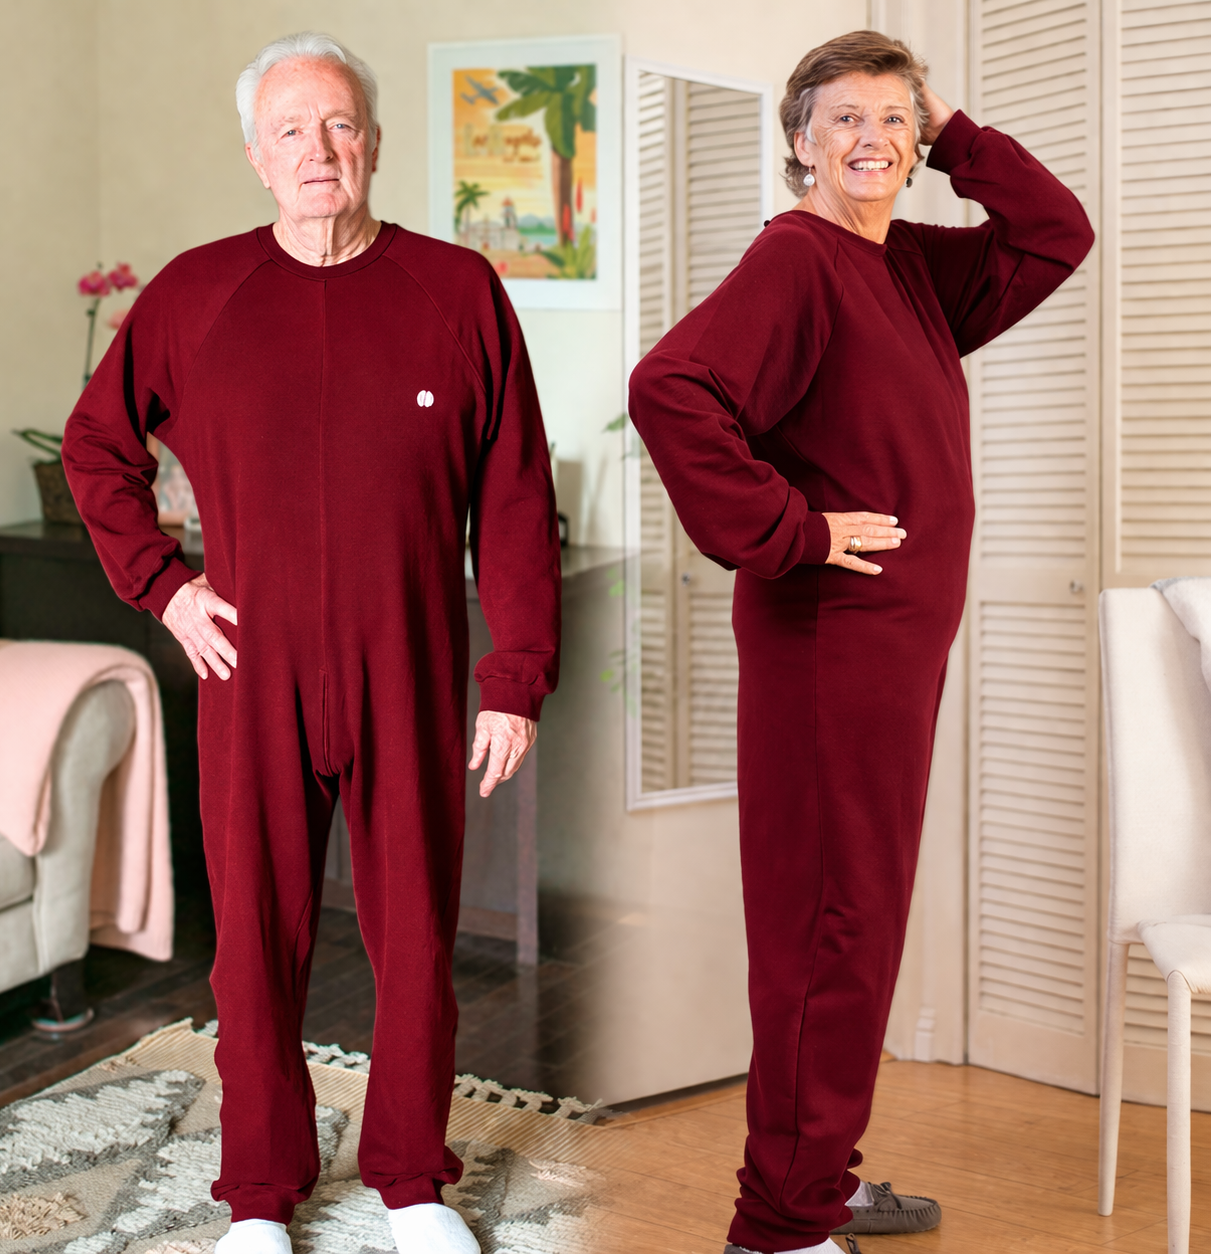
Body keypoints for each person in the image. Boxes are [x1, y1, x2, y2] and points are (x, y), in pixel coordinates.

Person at [62, 32, 560, 1254]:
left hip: (409, 665)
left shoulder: (458, 293)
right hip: (252, 670)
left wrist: (516, 676)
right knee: (257, 950)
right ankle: (258, 1197)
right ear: (255, 156)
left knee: (413, 943)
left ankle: (409, 1183)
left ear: (374, 142)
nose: (318, 150)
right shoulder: (194, 295)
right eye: (291, 131)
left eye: (338, 125)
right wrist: (167, 589)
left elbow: (514, 495)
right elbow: (96, 448)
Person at [628, 29, 1093, 1254]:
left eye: (896, 120)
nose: (874, 140)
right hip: (830, 649)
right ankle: (780, 1225)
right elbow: (669, 388)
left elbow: (1055, 234)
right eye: (843, 120)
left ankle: (816, 1179)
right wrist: (790, 529)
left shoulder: (906, 271)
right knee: (829, 929)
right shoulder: (801, 261)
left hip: (888, 658)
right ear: (799, 146)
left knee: (852, 923)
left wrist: (954, 129)